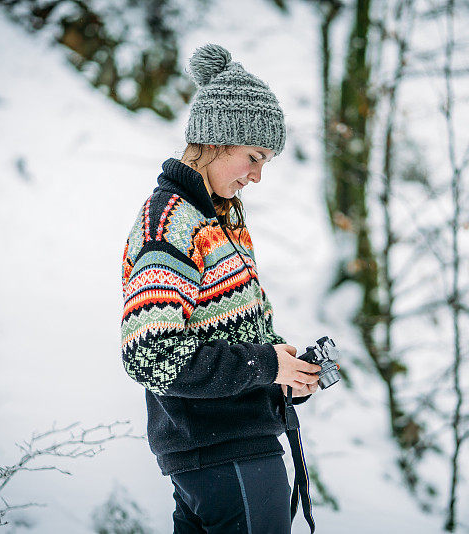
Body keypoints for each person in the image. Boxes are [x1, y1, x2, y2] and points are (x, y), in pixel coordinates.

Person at [120, 43, 322, 534]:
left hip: (223, 455)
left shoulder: (217, 220)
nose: (257, 176)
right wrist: (265, 363)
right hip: (228, 459)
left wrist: (281, 373)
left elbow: (220, 341)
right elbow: (151, 356)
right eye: (253, 157)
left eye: (266, 161)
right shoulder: (171, 222)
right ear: (214, 141)